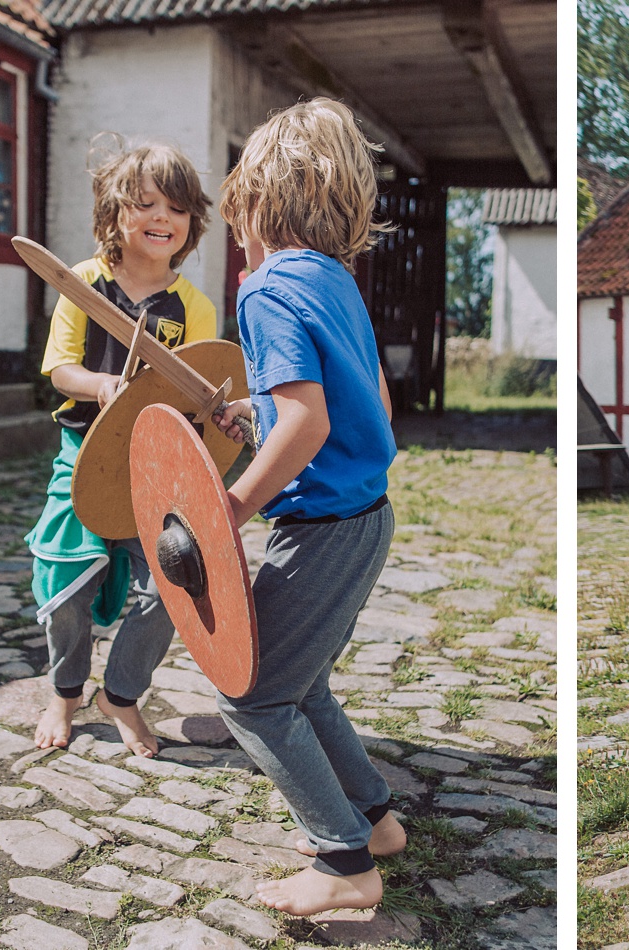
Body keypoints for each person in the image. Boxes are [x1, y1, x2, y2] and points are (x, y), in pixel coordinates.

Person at [210, 98, 403, 916]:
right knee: (305, 680)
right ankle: (374, 818)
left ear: (256, 201)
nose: (235, 243)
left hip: (320, 528)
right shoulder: (336, 282)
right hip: (368, 517)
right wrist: (260, 414)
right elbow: (369, 406)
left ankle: (345, 862)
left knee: (250, 692)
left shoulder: (266, 288)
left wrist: (233, 505)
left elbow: (311, 421)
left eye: (235, 221)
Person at [26, 141, 216, 759]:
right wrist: (101, 384)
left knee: (174, 583)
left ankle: (124, 695)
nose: (164, 217)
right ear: (116, 212)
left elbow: (203, 391)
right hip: (82, 453)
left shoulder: (194, 307)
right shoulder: (85, 283)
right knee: (64, 583)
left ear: (192, 223)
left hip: (153, 468)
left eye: (178, 208)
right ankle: (66, 690)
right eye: (147, 203)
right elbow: (58, 368)